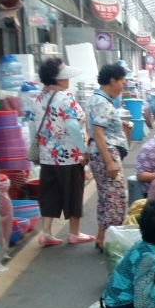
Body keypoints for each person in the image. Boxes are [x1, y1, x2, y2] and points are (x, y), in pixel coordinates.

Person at [32, 58, 93, 247]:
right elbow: (73, 126)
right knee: (74, 192)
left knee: (49, 192)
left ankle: (47, 233)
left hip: (47, 155)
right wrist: (83, 151)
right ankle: (74, 232)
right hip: (68, 155)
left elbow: (33, 126)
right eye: (65, 77)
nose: (68, 81)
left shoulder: (38, 98)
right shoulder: (66, 97)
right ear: (58, 79)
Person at [88, 64, 133, 249]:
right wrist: (109, 162)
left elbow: (97, 128)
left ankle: (102, 237)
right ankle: (112, 243)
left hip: (100, 153)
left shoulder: (97, 99)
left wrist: (119, 123)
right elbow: (98, 134)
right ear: (113, 81)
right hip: (105, 155)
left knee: (106, 198)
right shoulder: (101, 101)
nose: (123, 86)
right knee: (116, 199)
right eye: (122, 82)